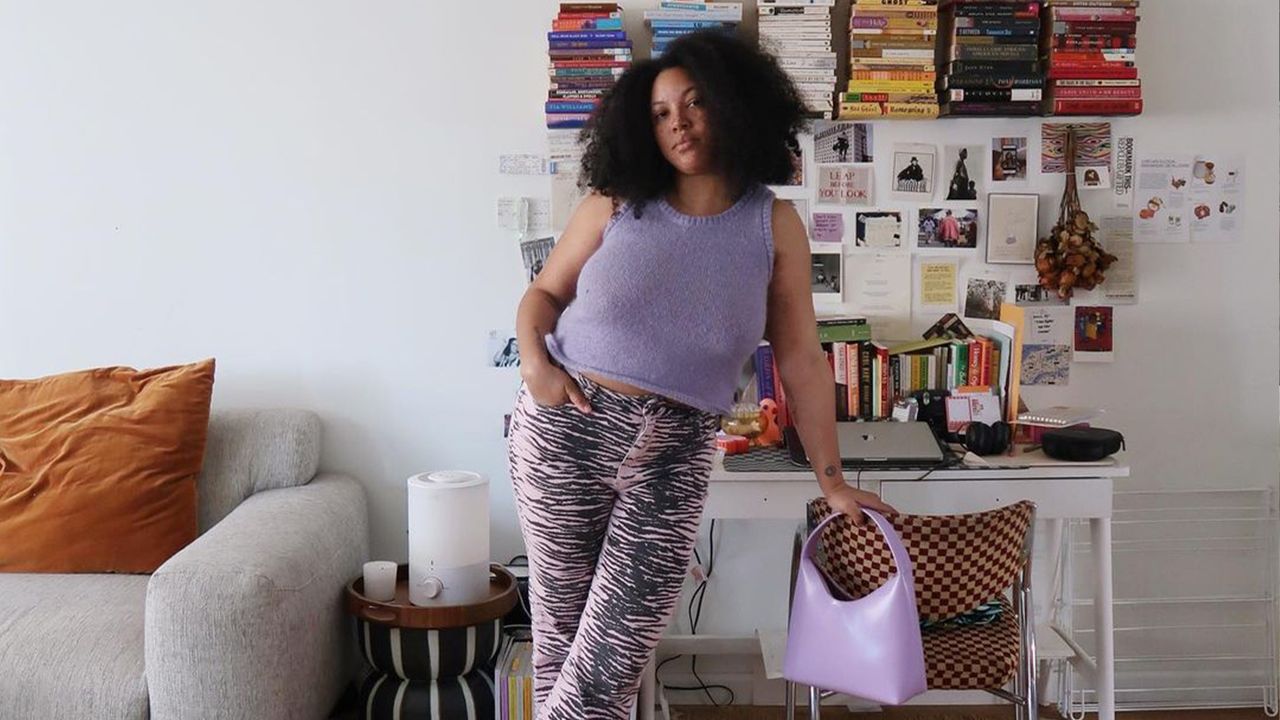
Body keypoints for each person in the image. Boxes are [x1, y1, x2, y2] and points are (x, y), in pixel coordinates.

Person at [508, 31, 893, 719]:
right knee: (561, 653)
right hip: (568, 428)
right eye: (659, 112)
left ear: (733, 106)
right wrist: (536, 366)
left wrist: (832, 483)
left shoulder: (773, 226)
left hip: (676, 453)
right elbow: (541, 297)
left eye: (693, 103)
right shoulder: (616, 202)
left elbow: (802, 358)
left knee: (608, 664)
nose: (677, 122)